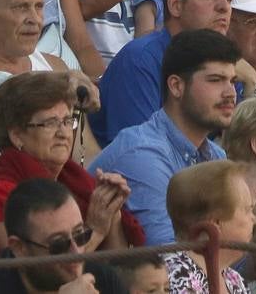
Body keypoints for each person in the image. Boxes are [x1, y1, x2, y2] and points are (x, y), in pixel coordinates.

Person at [0, 71, 142, 258]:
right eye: (50, 123)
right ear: (17, 135)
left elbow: (118, 269)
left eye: (67, 121)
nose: (63, 133)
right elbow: (42, 272)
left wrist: (110, 210)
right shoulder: (0, 192)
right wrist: (95, 231)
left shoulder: (76, 181)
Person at [90, 29, 240, 245]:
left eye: (232, 81)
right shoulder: (143, 155)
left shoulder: (216, 155)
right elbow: (168, 257)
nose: (230, 93)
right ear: (177, 86)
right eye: (216, 80)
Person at [92, 0, 233, 145]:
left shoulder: (224, 67)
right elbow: (137, 155)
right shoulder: (141, 60)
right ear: (175, 5)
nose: (224, 7)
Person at [0, 177, 126, 294]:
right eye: (58, 244)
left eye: (80, 236)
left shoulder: (102, 279)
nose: (76, 254)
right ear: (19, 248)